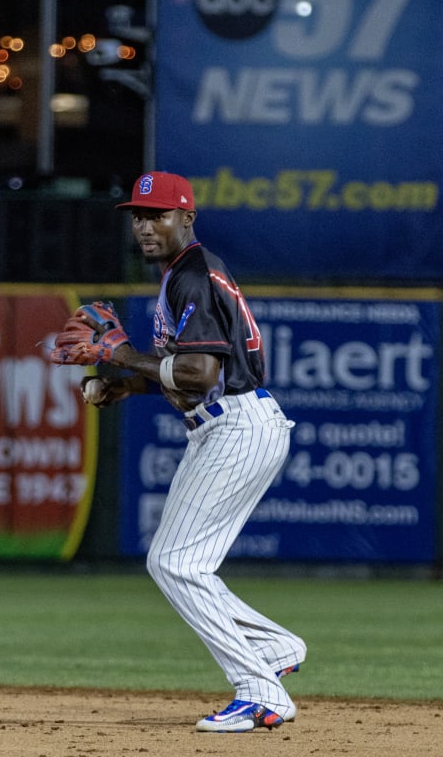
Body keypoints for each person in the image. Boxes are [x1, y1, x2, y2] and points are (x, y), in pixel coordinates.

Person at [51, 171, 304, 733]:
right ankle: (277, 647)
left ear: (186, 218)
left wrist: (121, 354)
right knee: (185, 563)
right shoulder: (184, 274)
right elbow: (187, 376)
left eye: (158, 214)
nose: (145, 225)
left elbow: (199, 372)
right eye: (138, 215)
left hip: (237, 426)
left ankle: (262, 692)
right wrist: (128, 382)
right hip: (234, 423)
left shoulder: (191, 275)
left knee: (173, 562)